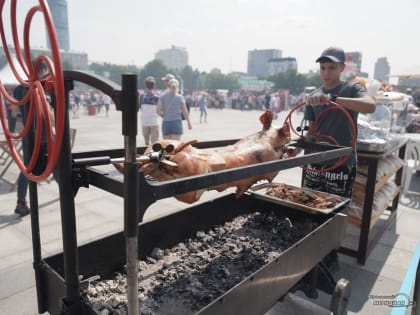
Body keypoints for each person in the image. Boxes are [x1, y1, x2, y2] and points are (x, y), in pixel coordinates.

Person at [303, 46, 375, 269]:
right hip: (316, 163)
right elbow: (311, 132)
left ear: (342, 68)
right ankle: (309, 254)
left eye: (332, 67)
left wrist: (333, 98)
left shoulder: (351, 88)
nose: (326, 72)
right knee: (310, 206)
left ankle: (331, 255)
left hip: (342, 164)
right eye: (323, 68)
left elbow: (370, 105)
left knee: (335, 210)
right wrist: (298, 148)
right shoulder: (314, 97)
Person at [12, 62, 54, 216]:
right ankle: (67, 190)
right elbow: (51, 116)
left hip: (28, 134)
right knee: (56, 163)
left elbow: (15, 112)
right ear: (42, 70)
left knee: (27, 168)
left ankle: (21, 201)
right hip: (43, 134)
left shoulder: (18, 89)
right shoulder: (42, 88)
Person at [139, 76, 159, 145]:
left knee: (146, 143)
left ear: (146, 85)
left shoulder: (142, 96)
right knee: (154, 144)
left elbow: (141, 108)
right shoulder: (156, 97)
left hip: (144, 122)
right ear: (154, 86)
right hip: (154, 122)